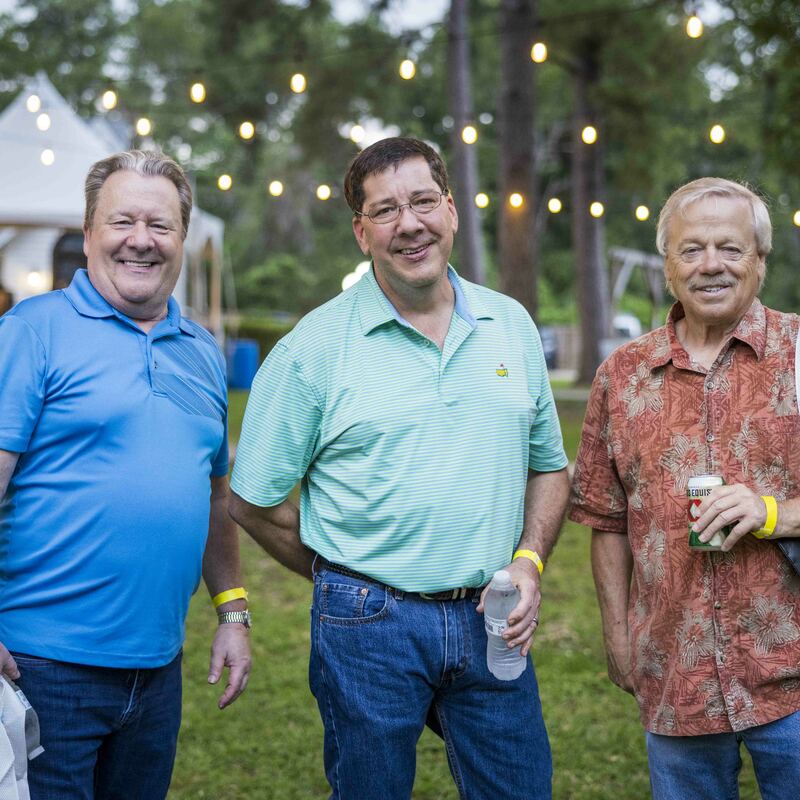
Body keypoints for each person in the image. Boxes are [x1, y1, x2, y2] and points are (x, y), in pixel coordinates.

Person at [229, 136, 569, 799]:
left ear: (452, 210)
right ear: (362, 233)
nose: (409, 224)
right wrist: (339, 578)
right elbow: (252, 500)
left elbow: (550, 468)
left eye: (423, 202)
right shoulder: (311, 350)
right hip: (368, 629)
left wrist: (529, 561)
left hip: (493, 619)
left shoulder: (510, 324)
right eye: (385, 210)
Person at [0, 150, 252, 799]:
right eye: (122, 221)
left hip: (158, 673)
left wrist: (233, 611)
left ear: (182, 239)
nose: (141, 240)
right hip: (40, 668)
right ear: (89, 233)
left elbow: (213, 496)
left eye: (160, 225)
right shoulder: (31, 331)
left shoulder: (201, 352)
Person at [569, 177, 800, 800]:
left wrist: (773, 513)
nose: (711, 265)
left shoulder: (799, 352)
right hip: (676, 672)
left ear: (760, 260)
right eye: (692, 249)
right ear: (668, 266)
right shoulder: (622, 376)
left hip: (793, 672)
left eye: (730, 248)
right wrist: (618, 635)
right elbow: (605, 519)